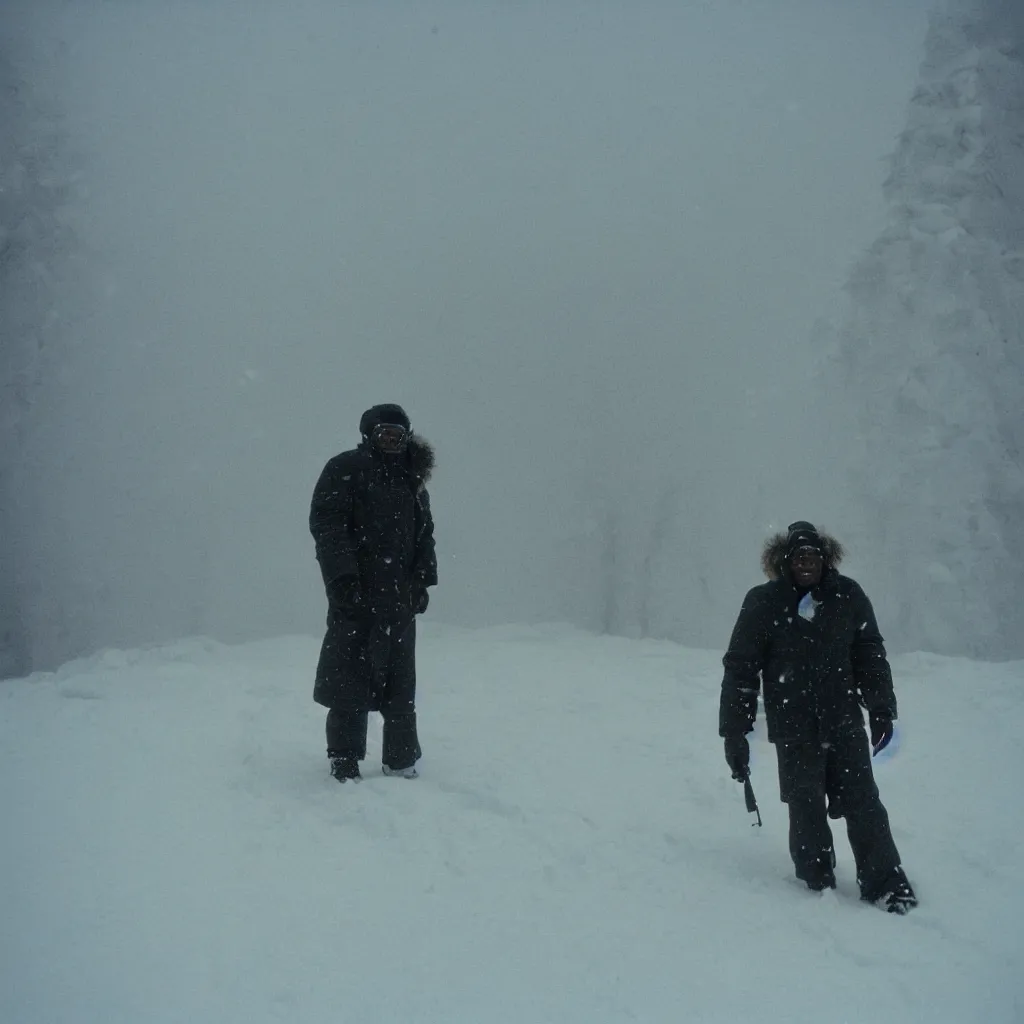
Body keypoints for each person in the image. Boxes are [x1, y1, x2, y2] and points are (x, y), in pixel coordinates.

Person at [718, 521, 918, 913]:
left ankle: (886, 884)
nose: (806, 563)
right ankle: (816, 884)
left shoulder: (848, 596)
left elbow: (869, 654)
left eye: (813, 556)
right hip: (794, 729)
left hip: (844, 723)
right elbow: (741, 669)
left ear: (826, 559)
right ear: (785, 561)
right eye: (798, 557)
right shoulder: (764, 602)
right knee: (805, 808)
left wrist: (880, 709)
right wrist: (735, 733)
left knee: (864, 805)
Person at [309, 403, 436, 783]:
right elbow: (328, 527)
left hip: (399, 598)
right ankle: (344, 757)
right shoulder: (344, 469)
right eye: (385, 434)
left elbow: (424, 534)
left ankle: (401, 759)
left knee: (400, 683)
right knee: (349, 676)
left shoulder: (411, 478)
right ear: (369, 435)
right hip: (356, 597)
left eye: (399, 435)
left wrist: (422, 582)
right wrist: (343, 580)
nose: (392, 441)